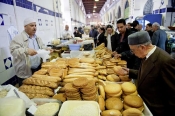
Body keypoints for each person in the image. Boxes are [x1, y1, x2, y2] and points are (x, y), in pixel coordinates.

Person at [120, 31, 175, 116]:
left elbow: (172, 94)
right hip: (145, 105)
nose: (133, 54)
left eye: (133, 50)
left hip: (156, 110)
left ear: (142, 47)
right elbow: (149, 74)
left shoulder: (165, 61)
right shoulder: (146, 54)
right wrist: (130, 71)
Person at [10, 17, 53, 86]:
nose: (34, 28)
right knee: (26, 91)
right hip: (26, 71)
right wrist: (26, 51)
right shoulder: (18, 38)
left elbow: (41, 47)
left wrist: (46, 49)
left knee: (37, 89)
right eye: (32, 25)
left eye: (35, 25)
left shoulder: (37, 38)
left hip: (38, 69)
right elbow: (13, 51)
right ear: (25, 27)